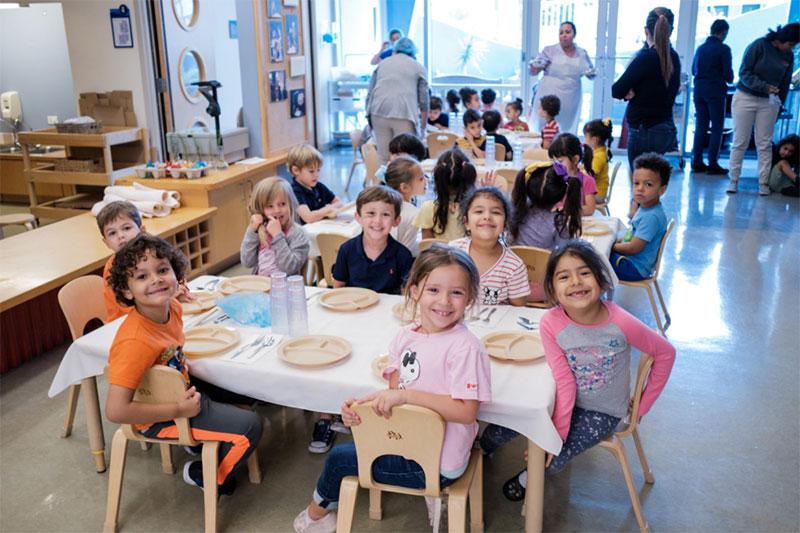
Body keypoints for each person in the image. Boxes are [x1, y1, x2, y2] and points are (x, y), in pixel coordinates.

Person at [292, 244, 491, 533]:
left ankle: (314, 517)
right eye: (433, 290)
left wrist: (405, 395)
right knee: (352, 447)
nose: (444, 301)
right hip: (406, 441)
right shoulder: (405, 337)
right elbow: (394, 397)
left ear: (469, 297)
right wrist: (360, 410)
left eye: (456, 292)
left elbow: (466, 411)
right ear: (414, 290)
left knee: (337, 459)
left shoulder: (465, 348)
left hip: (436, 462)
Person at [481, 240, 675, 502]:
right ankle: (483, 450)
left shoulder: (621, 322)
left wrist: (641, 407)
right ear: (552, 289)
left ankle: (528, 478)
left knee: (554, 457)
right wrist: (556, 431)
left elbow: (666, 353)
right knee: (499, 428)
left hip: (603, 411)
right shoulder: (550, 322)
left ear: (601, 280)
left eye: (584, 273)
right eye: (564, 276)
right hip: (561, 396)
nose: (575, 281)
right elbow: (564, 381)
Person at [105, 234, 262, 496]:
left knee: (248, 389)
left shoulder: (173, 308)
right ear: (125, 290)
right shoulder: (135, 341)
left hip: (180, 391)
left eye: (163, 270)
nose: (156, 280)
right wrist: (179, 409)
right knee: (251, 426)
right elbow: (115, 410)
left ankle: (202, 440)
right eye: (142, 277)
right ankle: (206, 474)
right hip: (156, 417)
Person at [726, 23, 799, 195]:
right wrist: (764, 86)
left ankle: (763, 182)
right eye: (791, 44)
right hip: (746, 96)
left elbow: (784, 83)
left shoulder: (788, 55)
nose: (791, 48)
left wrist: (780, 105)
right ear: (782, 39)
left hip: (770, 101)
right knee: (740, 141)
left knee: (764, 143)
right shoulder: (759, 45)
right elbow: (744, 73)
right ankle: (734, 179)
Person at [611, 7, 681, 170]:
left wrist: (630, 91)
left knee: (641, 184)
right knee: (653, 181)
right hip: (664, 127)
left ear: (646, 31)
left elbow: (617, 90)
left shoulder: (646, 58)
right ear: (670, 30)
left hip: (644, 129)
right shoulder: (674, 57)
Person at [449, 187, 529, 306]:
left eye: (496, 212)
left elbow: (519, 308)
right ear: (466, 223)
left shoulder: (514, 266)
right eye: (479, 211)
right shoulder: (452, 251)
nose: (487, 217)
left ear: (505, 225)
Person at [332, 186, 413, 295]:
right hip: (354, 307)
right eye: (371, 213)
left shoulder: (403, 255)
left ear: (396, 221)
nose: (377, 221)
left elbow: (405, 294)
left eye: (385, 214)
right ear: (358, 217)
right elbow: (338, 288)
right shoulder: (347, 250)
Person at [366, 37, 429, 165]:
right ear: (413, 53)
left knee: (383, 156)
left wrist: (369, 118)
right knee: (404, 156)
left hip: (378, 111)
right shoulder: (418, 67)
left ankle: (382, 184)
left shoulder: (383, 64)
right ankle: (400, 185)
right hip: (404, 113)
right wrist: (422, 127)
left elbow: (370, 92)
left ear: (395, 50)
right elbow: (424, 101)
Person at [611, 153, 670, 282]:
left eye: (648, 184)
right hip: (633, 263)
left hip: (634, 268)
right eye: (636, 183)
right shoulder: (645, 207)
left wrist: (611, 246)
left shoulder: (651, 217)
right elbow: (632, 235)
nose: (640, 189)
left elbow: (633, 248)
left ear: (662, 190)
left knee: (593, 260)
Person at [529, 21, 595, 133]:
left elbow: (591, 75)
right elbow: (533, 71)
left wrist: (591, 73)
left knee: (566, 128)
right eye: (561, 32)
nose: (564, 35)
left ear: (574, 34)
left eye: (567, 32)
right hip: (549, 94)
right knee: (544, 127)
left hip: (571, 97)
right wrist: (535, 66)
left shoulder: (582, 53)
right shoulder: (549, 50)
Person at [240, 177, 310, 277]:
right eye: (270, 206)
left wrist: (277, 236)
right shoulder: (260, 231)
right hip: (261, 286)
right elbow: (247, 262)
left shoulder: (298, 234)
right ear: (261, 210)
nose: (277, 210)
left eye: (282, 204)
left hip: (286, 288)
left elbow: (290, 268)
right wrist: (252, 231)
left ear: (290, 205)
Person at [510, 161, 582, 252]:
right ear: (561, 195)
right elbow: (565, 250)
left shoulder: (517, 209)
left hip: (513, 264)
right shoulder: (558, 222)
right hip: (543, 266)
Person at [691, 19, 733, 174]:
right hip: (715, 90)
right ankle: (713, 163)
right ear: (723, 32)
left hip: (699, 89)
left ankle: (696, 162)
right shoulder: (723, 49)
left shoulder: (700, 48)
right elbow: (728, 75)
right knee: (717, 127)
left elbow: (693, 70)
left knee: (701, 126)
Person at [414, 148, 477, 242]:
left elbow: (427, 245)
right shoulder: (476, 208)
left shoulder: (428, 207)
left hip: (440, 256)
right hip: (469, 256)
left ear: (438, 179)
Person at [384, 155, 426, 256]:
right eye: (421, 179)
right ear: (404, 187)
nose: (426, 180)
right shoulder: (413, 213)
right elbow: (407, 251)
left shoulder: (381, 203)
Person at [289, 144, 341, 224]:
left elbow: (338, 202)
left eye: (318, 170)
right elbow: (308, 218)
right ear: (296, 170)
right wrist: (327, 210)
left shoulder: (318, 186)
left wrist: (328, 209)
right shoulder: (294, 191)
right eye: (311, 171)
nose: (316, 175)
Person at [549, 133, 598, 216]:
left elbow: (590, 209)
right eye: (553, 161)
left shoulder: (587, 181)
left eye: (560, 161)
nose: (556, 165)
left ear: (575, 159)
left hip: (576, 223)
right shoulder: (553, 178)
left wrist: (566, 210)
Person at [583, 118, 614, 199]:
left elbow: (589, 175)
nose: (584, 140)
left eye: (585, 137)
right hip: (599, 191)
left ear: (594, 140)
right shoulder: (600, 151)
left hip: (597, 194)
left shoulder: (598, 156)